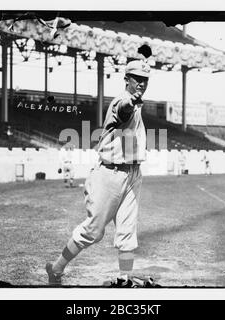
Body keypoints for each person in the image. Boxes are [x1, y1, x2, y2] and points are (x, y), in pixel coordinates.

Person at [46, 59, 151, 287]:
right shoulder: (121, 102)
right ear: (127, 80)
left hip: (133, 174)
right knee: (93, 231)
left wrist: (135, 102)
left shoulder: (138, 104)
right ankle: (56, 269)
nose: (142, 84)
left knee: (127, 229)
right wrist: (130, 102)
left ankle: (124, 280)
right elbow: (123, 111)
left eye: (145, 80)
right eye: (137, 79)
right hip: (109, 175)